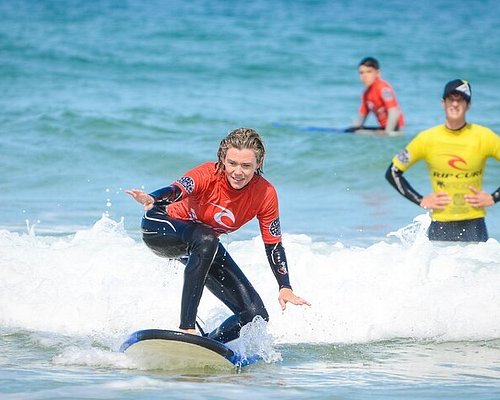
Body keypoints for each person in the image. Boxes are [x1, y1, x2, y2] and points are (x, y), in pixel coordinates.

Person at [126, 128, 310, 344]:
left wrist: (284, 286)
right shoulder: (208, 174)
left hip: (204, 244)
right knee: (206, 239)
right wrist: (153, 197)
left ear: (258, 164)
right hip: (161, 226)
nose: (238, 172)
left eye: (246, 165)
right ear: (223, 159)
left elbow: (273, 244)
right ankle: (187, 329)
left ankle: (209, 345)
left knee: (255, 316)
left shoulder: (265, 194)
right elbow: (177, 189)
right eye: (232, 163)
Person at [385, 79, 500, 242]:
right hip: (440, 226)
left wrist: (493, 197)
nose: (455, 104)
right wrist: (421, 200)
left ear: (468, 105)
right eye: (451, 99)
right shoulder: (427, 139)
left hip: (475, 226)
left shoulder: (484, 137)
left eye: (460, 99)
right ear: (443, 103)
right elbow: (392, 172)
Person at [346, 57, 405, 135]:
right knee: (352, 131)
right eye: (361, 73)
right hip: (384, 128)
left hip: (395, 129)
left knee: (358, 132)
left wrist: (387, 133)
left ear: (378, 74)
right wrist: (352, 130)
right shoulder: (366, 94)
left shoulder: (383, 88)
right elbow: (360, 120)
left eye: (369, 72)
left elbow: (394, 112)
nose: (364, 76)